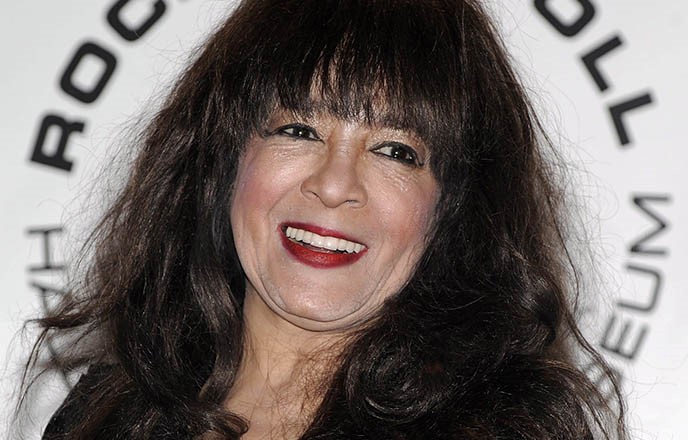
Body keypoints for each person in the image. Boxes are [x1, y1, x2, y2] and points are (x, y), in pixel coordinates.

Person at [23, 0, 625, 438]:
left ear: (455, 211)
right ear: (222, 163)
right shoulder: (105, 414)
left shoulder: (501, 428)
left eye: (395, 151)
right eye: (298, 130)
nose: (335, 185)